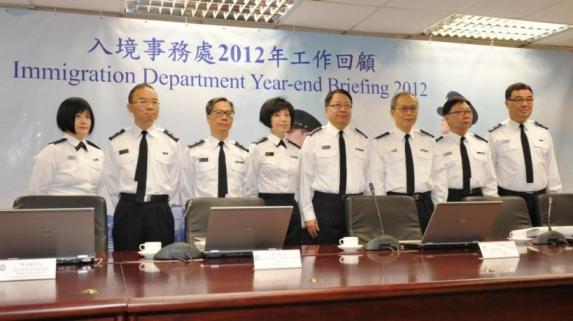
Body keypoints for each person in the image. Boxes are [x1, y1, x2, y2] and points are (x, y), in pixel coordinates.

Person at [102, 83, 182, 251]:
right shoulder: (117, 141)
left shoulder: (171, 142)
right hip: (128, 210)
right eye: (143, 101)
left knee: (161, 268)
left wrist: (159, 203)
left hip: (159, 211)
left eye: (154, 102)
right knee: (125, 268)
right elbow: (110, 180)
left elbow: (174, 182)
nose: (150, 106)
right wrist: (127, 204)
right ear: (129, 107)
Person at [299, 89, 370, 244]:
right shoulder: (313, 138)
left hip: (357, 206)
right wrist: (308, 215)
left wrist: (368, 210)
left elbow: (367, 178)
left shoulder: (362, 139)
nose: (343, 109)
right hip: (325, 206)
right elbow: (305, 181)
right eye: (337, 105)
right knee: (326, 261)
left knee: (357, 259)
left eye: (347, 105)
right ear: (326, 110)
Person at [488, 82, 561, 226]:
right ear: (507, 103)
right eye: (518, 99)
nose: (525, 104)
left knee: (542, 243)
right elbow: (489, 174)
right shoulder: (495, 134)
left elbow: (551, 169)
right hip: (509, 199)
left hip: (541, 199)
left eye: (529, 99)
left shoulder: (543, 132)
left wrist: (555, 198)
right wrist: (493, 202)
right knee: (512, 242)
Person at [370, 91, 435, 232]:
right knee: (399, 249)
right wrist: (382, 210)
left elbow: (438, 177)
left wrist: (438, 206)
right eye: (403, 108)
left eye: (413, 109)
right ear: (392, 112)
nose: (409, 113)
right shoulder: (381, 142)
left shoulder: (429, 140)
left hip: (425, 204)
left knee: (429, 249)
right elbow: (377, 180)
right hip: (395, 203)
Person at [245, 97, 302, 245]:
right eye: (277, 115)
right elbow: (250, 184)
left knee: (293, 253)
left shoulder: (297, 150)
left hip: (292, 206)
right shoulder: (257, 148)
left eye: (287, 115)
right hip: (267, 205)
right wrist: (252, 213)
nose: (283, 119)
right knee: (267, 253)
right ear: (268, 119)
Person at [28, 97, 104, 195]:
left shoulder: (98, 153)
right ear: (65, 118)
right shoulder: (52, 151)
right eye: (78, 116)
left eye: (87, 117)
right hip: (59, 209)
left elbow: (99, 192)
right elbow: (36, 193)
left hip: (91, 208)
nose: (84, 121)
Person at [431, 96, 498, 204]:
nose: (466, 115)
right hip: (452, 199)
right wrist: (440, 208)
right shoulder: (437, 146)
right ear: (447, 118)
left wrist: (493, 203)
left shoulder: (482, 144)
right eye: (459, 112)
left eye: (468, 111)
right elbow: (438, 185)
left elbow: (490, 180)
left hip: (479, 199)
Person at [180, 97, 249, 201]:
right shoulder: (193, 152)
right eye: (219, 113)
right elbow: (185, 190)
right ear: (208, 118)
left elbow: (247, 189)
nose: (224, 117)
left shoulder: (243, 154)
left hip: (235, 212)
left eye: (228, 113)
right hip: (203, 213)